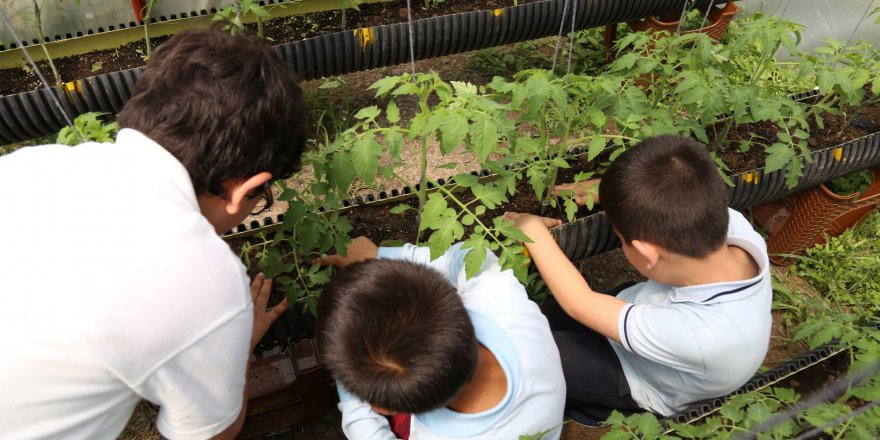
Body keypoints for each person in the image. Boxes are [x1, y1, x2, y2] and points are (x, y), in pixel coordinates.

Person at [0, 28, 305, 439]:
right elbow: (208, 436)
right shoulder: (204, 280)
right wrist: (237, 346)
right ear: (245, 189)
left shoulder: (31, 167)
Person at [504, 134, 772, 423]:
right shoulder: (733, 226)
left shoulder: (704, 335)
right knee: (538, 320)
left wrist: (531, 229)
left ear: (646, 254)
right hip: (648, 308)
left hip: (637, 376)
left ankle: (586, 406)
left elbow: (579, 302)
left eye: (620, 239)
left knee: (524, 357)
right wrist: (615, 193)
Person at [317, 237, 567, 439]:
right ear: (447, 292)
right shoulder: (505, 304)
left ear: (381, 408)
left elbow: (368, 432)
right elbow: (471, 256)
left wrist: (348, 382)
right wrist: (380, 255)